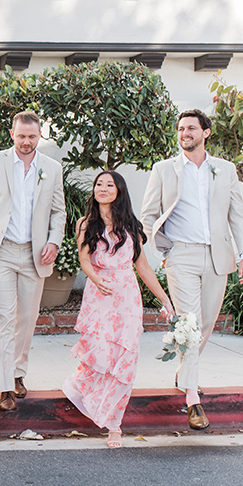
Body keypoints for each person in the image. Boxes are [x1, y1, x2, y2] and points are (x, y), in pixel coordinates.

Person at [141, 109, 243, 430]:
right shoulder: (164, 170)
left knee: (205, 323)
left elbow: (238, 215)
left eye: (191, 128)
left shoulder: (225, 169)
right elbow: (148, 216)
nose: (184, 133)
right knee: (189, 322)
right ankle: (193, 398)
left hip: (218, 256)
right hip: (181, 256)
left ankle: (184, 373)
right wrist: (161, 250)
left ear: (206, 132)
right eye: (180, 128)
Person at [63, 171, 174, 449]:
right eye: (99, 184)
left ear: (119, 191)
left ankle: (115, 424)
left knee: (123, 362)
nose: (103, 188)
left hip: (126, 300)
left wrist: (165, 299)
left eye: (109, 185)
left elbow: (144, 268)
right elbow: (84, 259)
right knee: (100, 356)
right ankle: (93, 401)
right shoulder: (85, 224)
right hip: (99, 298)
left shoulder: (131, 227)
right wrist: (95, 277)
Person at [0, 110, 66, 412]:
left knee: (27, 317)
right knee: (5, 316)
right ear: (12, 134)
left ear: (40, 136)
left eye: (32, 137)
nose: (26, 142)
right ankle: (4, 386)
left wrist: (53, 241)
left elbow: (58, 211)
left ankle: (18, 372)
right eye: (21, 136)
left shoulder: (51, 168)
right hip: (1, 252)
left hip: (34, 253)